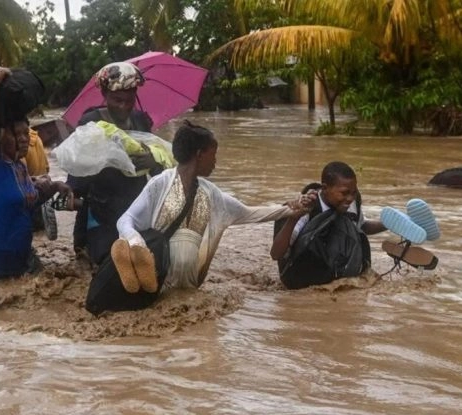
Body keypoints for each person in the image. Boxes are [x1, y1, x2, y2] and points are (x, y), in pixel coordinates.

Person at [85, 121, 307, 314]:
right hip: (159, 283)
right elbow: (125, 220)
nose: (215, 162)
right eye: (214, 154)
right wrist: (136, 242)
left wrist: (288, 210)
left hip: (188, 290)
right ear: (200, 154)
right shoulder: (160, 184)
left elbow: (248, 213)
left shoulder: (212, 194)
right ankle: (135, 260)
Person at [0, 67, 71, 290]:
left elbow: (27, 199)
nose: (24, 140)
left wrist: (56, 186)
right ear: (0, 135)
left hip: (18, 264)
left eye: (26, 134)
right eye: (16, 134)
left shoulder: (19, 167)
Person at [68, 61, 163, 266]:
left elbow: (160, 168)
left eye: (129, 100)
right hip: (101, 212)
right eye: (117, 100)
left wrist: (152, 159)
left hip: (134, 208)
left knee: (153, 260)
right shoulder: (91, 122)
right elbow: (77, 175)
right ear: (104, 95)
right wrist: (108, 160)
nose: (124, 106)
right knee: (110, 264)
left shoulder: (141, 121)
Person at [270, 161, 387, 289]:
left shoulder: (351, 202)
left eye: (353, 193)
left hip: (335, 272)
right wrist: (293, 218)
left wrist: (388, 224)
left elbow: (361, 227)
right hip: (303, 277)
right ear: (325, 188)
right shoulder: (307, 206)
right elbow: (276, 254)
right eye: (344, 193)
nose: (349, 198)